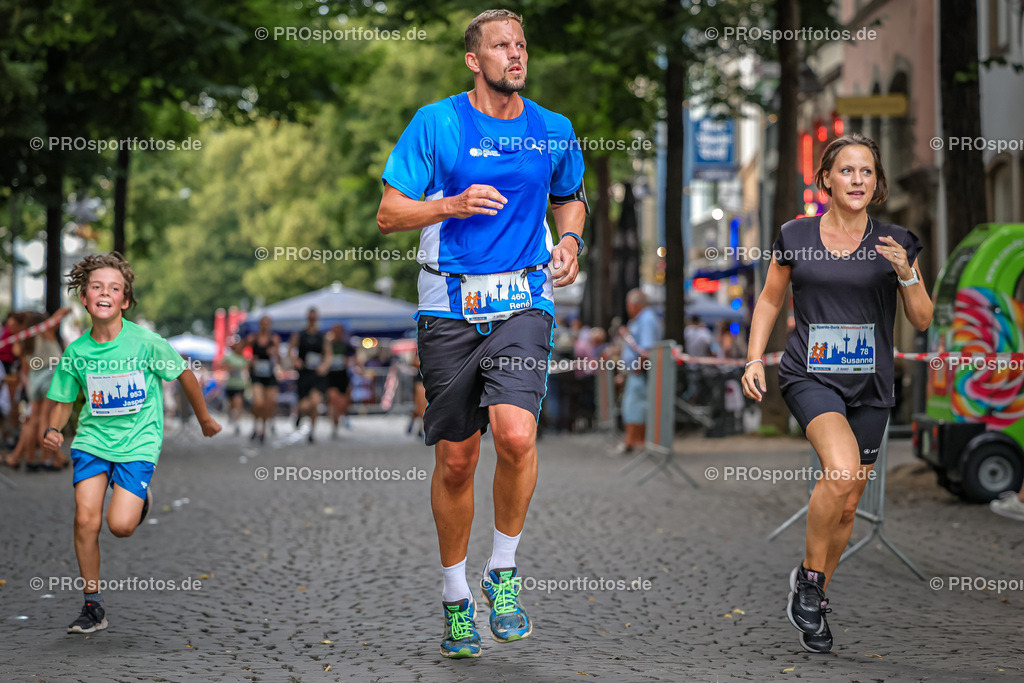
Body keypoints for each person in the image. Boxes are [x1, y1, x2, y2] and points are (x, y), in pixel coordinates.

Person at [377, 8, 586, 660]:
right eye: (501, 45)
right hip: (448, 303)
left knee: (516, 432)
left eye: (521, 45)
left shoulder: (553, 129)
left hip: (524, 295)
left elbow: (570, 194)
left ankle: (502, 569)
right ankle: (454, 597)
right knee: (458, 458)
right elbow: (388, 213)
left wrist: (572, 237)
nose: (515, 55)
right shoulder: (436, 123)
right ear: (474, 59)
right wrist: (449, 203)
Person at [741, 133, 932, 654]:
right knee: (841, 470)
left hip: (872, 386)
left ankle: (815, 591)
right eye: (846, 171)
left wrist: (906, 273)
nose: (856, 180)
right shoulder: (795, 235)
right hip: (812, 376)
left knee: (848, 505)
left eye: (866, 172)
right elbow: (769, 300)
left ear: (877, 182)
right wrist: (755, 357)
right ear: (825, 177)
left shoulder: (896, 240)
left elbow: (922, 317)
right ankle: (808, 581)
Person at [42, 252, 221, 634]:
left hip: (138, 442)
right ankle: (93, 606)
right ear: (85, 298)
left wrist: (204, 418)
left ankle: (139, 499)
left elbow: (185, 375)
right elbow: (62, 401)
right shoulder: (77, 353)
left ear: (125, 300)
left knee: (120, 526)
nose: (105, 293)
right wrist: (53, 431)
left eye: (114, 288)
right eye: (96, 287)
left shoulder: (145, 342)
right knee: (85, 519)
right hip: (92, 440)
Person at [615, 289, 662, 454]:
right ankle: (634, 441)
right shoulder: (643, 319)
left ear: (635, 304)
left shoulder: (646, 320)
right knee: (633, 406)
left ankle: (635, 442)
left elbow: (646, 349)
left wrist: (638, 368)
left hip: (640, 373)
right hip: (638, 371)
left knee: (635, 406)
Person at [289, 308, 331, 444]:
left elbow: (328, 354)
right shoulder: (300, 335)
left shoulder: (322, 336)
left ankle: (312, 430)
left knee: (315, 402)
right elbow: (291, 350)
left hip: (317, 375)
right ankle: (299, 414)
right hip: (304, 374)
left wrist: (324, 366)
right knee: (304, 406)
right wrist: (295, 360)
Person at [244, 316, 281, 443]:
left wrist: (275, 352)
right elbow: (242, 351)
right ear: (260, 324)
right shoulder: (253, 338)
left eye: (267, 324)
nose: (265, 326)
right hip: (257, 375)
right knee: (259, 402)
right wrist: (250, 360)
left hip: (270, 375)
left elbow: (279, 359)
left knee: (268, 404)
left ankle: (263, 429)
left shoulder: (274, 339)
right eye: (263, 323)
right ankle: (255, 424)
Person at [325, 323, 355, 438]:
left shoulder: (346, 345)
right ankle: (334, 424)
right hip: (331, 376)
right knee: (332, 399)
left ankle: (339, 418)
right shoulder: (328, 345)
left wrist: (350, 362)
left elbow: (353, 358)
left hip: (343, 376)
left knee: (342, 402)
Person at [222, 337, 249, 437]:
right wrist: (231, 368)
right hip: (231, 384)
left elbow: (246, 370)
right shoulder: (229, 356)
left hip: (240, 384)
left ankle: (237, 423)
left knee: (238, 403)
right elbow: (222, 366)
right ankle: (232, 418)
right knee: (232, 405)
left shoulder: (244, 358)